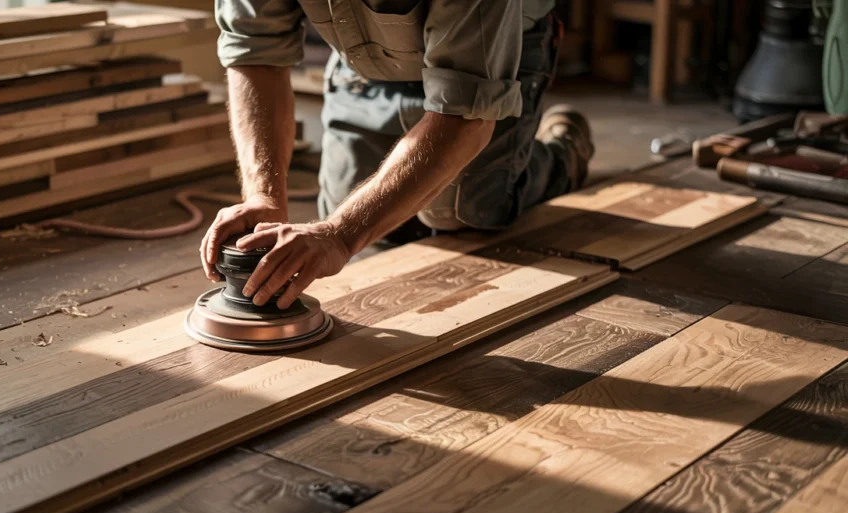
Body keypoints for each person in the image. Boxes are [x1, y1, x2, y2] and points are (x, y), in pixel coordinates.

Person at [199, 0, 595, 311]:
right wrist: (264, 195)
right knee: (350, 208)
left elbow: (465, 116)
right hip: (365, 55)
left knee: (456, 211)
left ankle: (564, 152)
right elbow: (255, 53)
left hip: (494, 58)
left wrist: (339, 234)